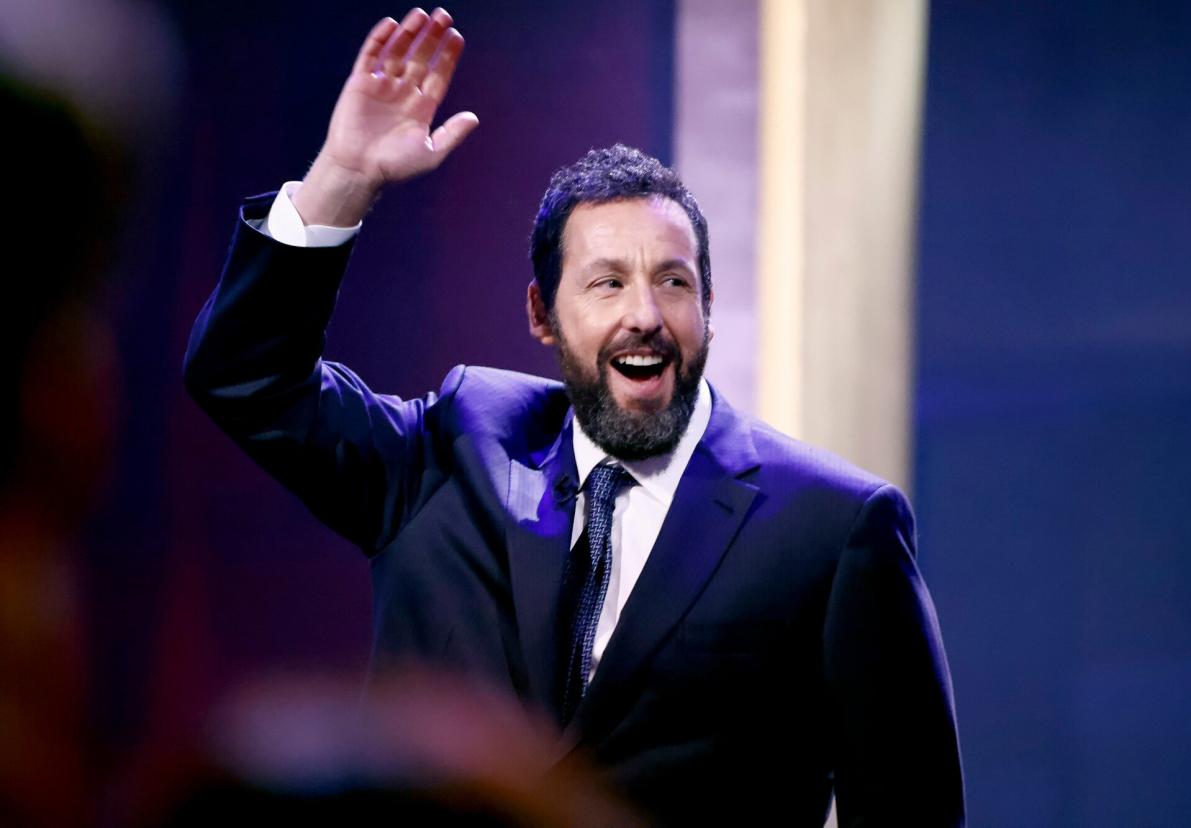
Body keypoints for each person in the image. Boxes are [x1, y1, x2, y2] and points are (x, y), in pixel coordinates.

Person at [184, 7, 965, 825]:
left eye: (673, 282)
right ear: (541, 313)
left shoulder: (832, 526)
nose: (645, 316)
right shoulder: (451, 450)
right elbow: (246, 378)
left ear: (707, 309)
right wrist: (345, 173)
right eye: (607, 283)